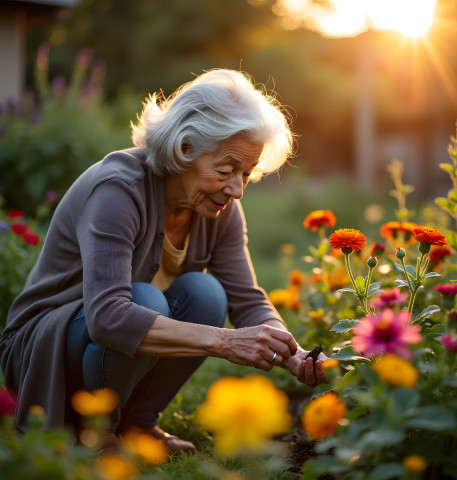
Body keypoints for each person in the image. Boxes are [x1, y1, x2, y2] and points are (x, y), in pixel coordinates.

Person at [0, 69, 327, 455]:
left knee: (206, 293)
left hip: (104, 341)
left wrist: (290, 352)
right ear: (185, 148)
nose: (237, 189)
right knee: (145, 302)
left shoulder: (218, 207)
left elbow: (246, 298)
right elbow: (107, 317)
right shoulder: (119, 190)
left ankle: (138, 424)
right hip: (45, 347)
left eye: (246, 173)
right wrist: (225, 342)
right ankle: (98, 435)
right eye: (225, 170)